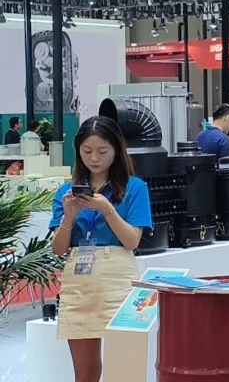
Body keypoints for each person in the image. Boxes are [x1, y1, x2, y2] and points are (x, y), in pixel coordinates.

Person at [48, 116, 152, 382]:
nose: (94, 158)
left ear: (116, 150)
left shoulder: (134, 188)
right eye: (87, 151)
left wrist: (106, 209)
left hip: (118, 276)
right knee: (85, 374)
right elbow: (58, 249)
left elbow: (132, 241)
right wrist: (69, 216)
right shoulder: (65, 192)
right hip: (79, 278)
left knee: (124, 372)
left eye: (102, 151)